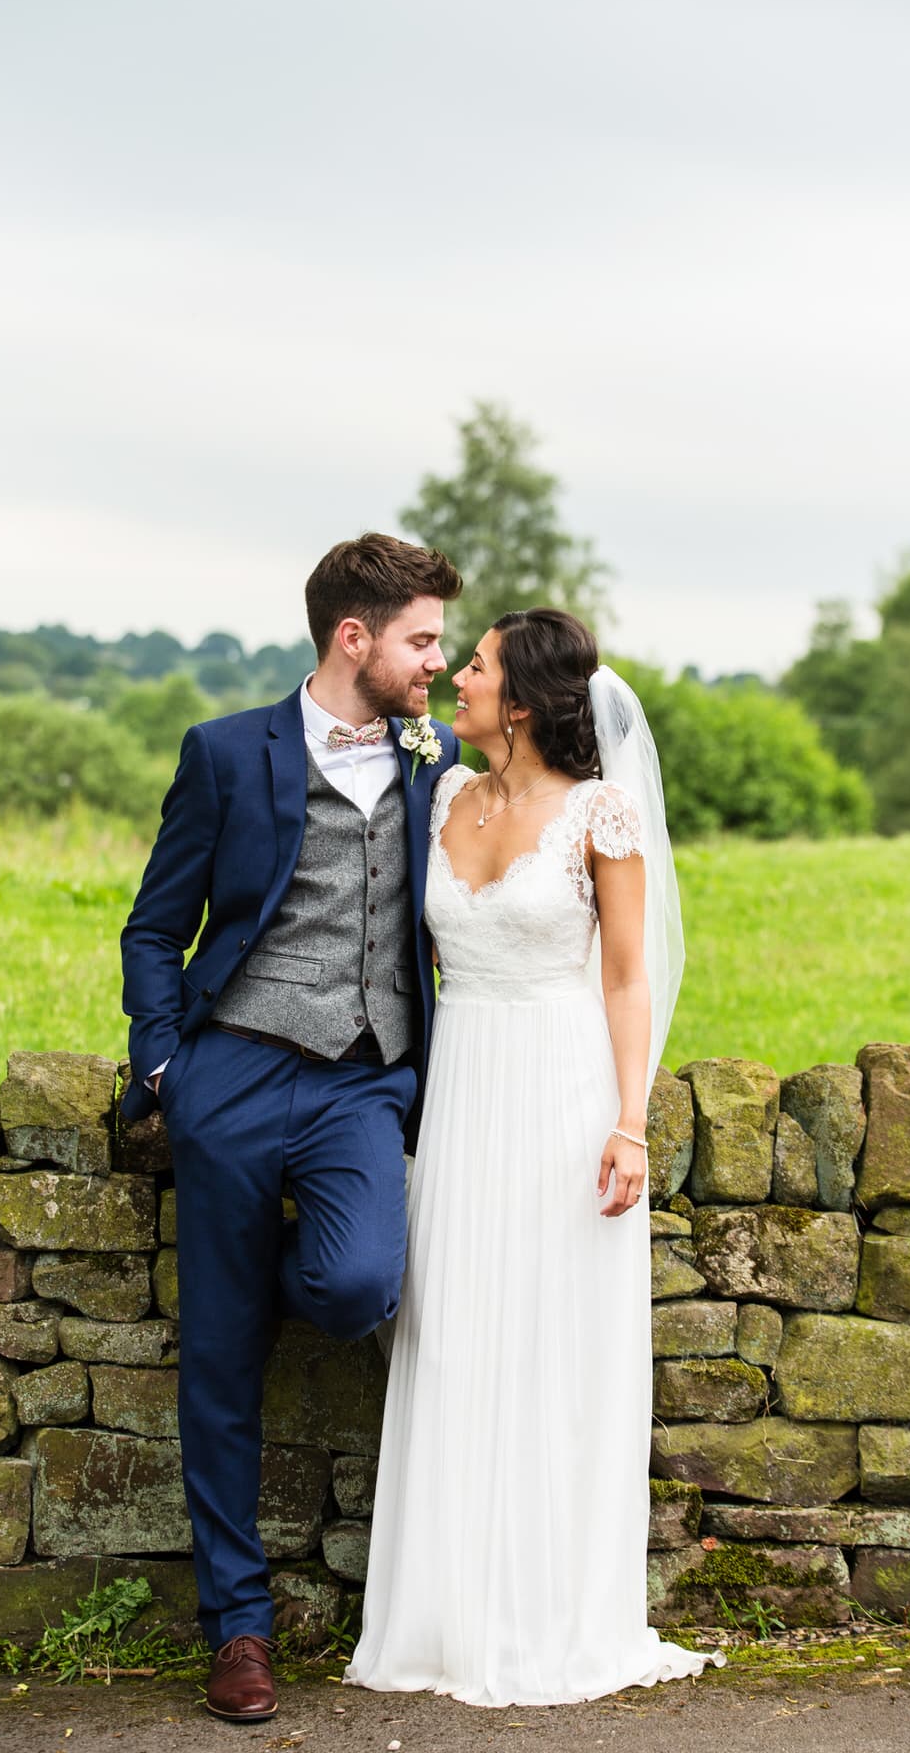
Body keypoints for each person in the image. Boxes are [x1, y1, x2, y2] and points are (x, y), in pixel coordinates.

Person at [346, 607, 724, 1706]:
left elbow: (624, 975)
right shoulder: (444, 800)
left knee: (553, 1344)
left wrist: (626, 1120)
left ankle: (553, 1613)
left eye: (473, 667)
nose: (452, 678)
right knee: (456, 1332)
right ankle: (443, 1614)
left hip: (560, 1094)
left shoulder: (601, 814)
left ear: (519, 702)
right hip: (462, 1095)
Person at [119, 533, 462, 1723]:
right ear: (351, 638)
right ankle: (240, 1629)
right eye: (422, 639)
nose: (439, 661)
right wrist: (165, 1066)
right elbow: (155, 926)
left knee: (360, 1283)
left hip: (365, 1082)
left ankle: (240, 1289)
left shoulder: (438, 754)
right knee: (217, 1373)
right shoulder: (224, 753)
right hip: (235, 1075)